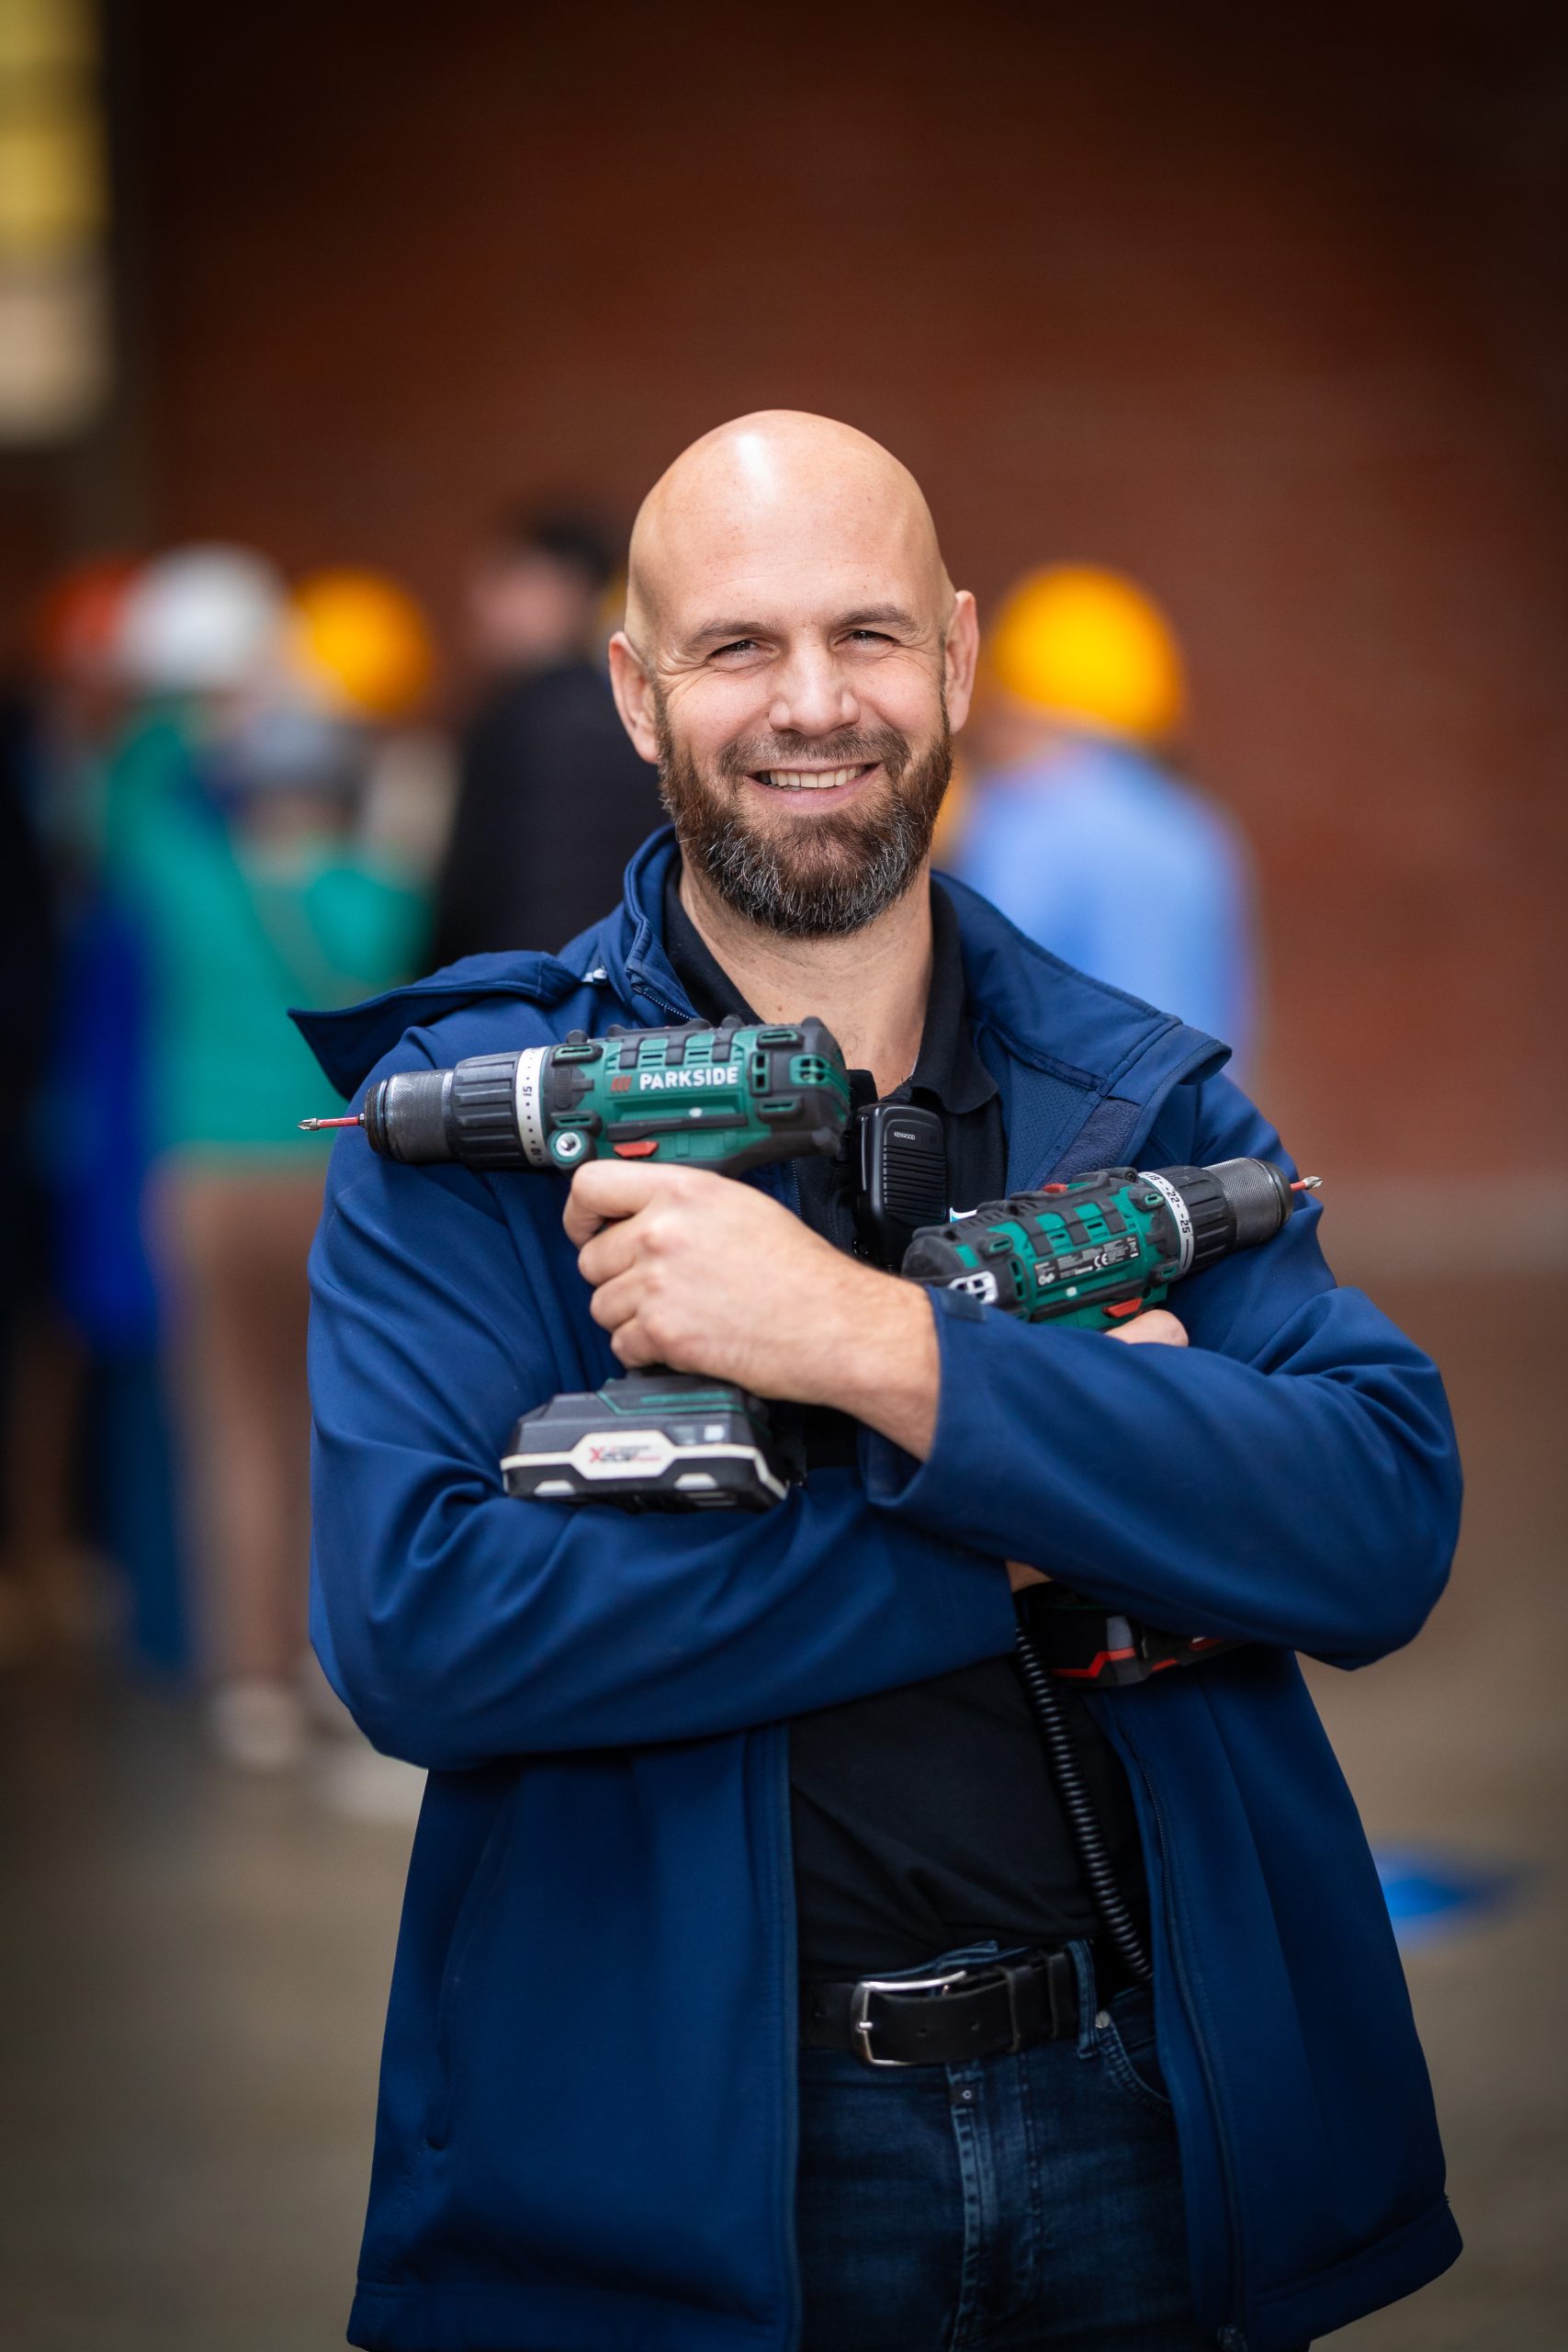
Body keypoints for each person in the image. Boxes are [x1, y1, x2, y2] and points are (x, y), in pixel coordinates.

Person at [301, 414, 1461, 2352]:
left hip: (1144, 2126)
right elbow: (425, 1631)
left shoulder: (1138, 1094)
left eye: (866, 634)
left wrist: (865, 1344)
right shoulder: (471, 1129)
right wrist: (1026, 1521)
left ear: (958, 658)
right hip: (691, 2180)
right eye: (737, 646)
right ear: (635, 693)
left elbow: (1374, 1519)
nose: (813, 703)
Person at [107, 547, 429, 1768]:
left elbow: (126, 796)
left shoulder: (186, 876)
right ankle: (325, 1662)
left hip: (200, 1179)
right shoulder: (374, 893)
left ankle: (245, 1686)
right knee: (334, 1427)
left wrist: (207, 705)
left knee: (226, 1430)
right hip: (324, 1181)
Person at [953, 565, 1258, 1072]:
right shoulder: (1197, 830)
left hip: (1067, 1116)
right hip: (1195, 1115)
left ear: (1016, 704)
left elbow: (977, 992)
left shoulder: (1027, 817)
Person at [429, 507, 658, 962]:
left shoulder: (517, 717)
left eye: (507, 578)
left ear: (568, 591)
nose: (481, 600)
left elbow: (470, 884)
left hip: (513, 978)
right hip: (612, 973)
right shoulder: (628, 710)